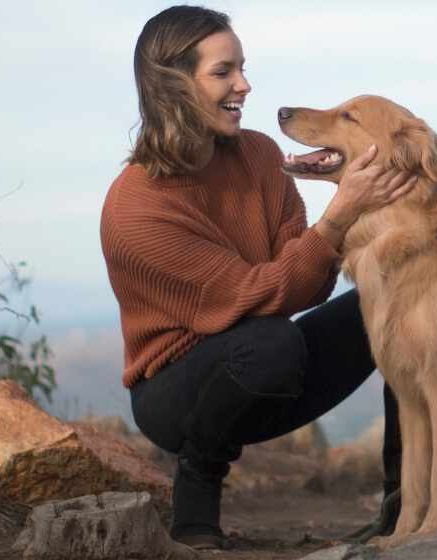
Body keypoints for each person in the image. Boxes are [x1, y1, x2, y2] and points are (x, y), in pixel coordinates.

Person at [99, 6, 413, 551]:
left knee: (396, 305)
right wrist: (340, 214)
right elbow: (258, 294)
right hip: (176, 391)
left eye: (242, 68)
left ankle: (405, 503)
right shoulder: (136, 208)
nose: (244, 85)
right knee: (270, 341)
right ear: (173, 84)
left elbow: (306, 283)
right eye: (224, 72)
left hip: (269, 360)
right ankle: (196, 496)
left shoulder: (262, 155)